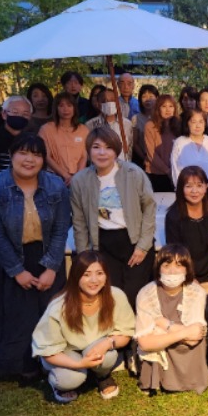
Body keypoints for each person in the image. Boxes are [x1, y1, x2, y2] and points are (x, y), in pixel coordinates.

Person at [0, 134, 70, 377]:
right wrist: (17, 271)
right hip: (8, 257)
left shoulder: (56, 186)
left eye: (36, 155)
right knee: (15, 316)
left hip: (46, 254)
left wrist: (52, 267)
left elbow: (61, 228)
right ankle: (18, 365)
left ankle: (53, 360)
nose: (29, 160)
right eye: (23, 153)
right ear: (11, 155)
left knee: (50, 312)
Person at [32, 250, 135, 403]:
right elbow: (48, 351)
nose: (94, 280)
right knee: (69, 379)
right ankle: (60, 383)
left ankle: (102, 376)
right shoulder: (58, 306)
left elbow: (126, 333)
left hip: (95, 346)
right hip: (64, 352)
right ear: (76, 276)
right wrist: (79, 364)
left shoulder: (116, 295)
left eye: (99, 273)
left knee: (108, 355)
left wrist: (108, 343)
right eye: (86, 274)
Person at [70, 127, 156, 309]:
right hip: (103, 243)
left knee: (134, 295)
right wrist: (85, 255)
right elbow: (79, 222)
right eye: (96, 147)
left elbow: (149, 208)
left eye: (108, 147)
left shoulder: (134, 173)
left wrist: (143, 246)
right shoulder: (80, 180)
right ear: (89, 150)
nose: (102, 153)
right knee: (111, 295)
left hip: (134, 240)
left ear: (116, 150)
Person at [135, 244, 208, 394]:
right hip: (157, 347)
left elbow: (194, 338)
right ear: (158, 268)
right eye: (166, 265)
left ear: (187, 269)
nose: (172, 271)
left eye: (179, 265)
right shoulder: (146, 293)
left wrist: (164, 324)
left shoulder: (196, 292)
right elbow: (144, 342)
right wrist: (183, 332)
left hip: (185, 349)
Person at [165, 166, 208, 304]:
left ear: (206, 187)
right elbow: (175, 252)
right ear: (181, 189)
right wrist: (189, 277)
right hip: (185, 272)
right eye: (188, 186)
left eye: (199, 185)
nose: (194, 191)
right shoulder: (173, 216)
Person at [170, 109, 208, 202]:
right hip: (186, 194)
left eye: (201, 122)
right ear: (187, 123)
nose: (197, 125)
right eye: (193, 122)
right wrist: (181, 191)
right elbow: (175, 171)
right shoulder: (179, 143)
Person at [38, 92, 89, 186]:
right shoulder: (46, 129)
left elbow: (84, 156)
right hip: (53, 177)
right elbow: (46, 156)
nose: (66, 109)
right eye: (61, 106)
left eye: (69, 105)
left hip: (79, 178)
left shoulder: (83, 130)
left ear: (74, 108)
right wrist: (66, 176)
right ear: (56, 108)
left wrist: (77, 177)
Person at [0, 95, 33, 176]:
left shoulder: (32, 139)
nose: (20, 116)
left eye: (25, 114)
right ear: (4, 114)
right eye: (15, 112)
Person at [143, 94, 181, 192]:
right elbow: (151, 154)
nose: (168, 110)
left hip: (175, 172)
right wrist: (167, 171)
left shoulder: (179, 125)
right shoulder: (150, 126)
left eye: (171, 106)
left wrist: (174, 171)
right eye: (164, 106)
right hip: (155, 173)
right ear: (158, 109)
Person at [86, 89, 134, 161]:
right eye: (104, 101)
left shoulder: (127, 124)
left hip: (122, 164)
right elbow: (88, 148)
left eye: (112, 100)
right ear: (98, 104)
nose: (109, 103)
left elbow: (129, 147)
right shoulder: (90, 125)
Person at [131, 84, 159, 167]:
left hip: (162, 158)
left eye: (151, 96)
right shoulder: (136, 118)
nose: (148, 99)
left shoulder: (162, 117)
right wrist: (145, 158)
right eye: (144, 97)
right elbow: (135, 143)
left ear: (157, 98)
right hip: (143, 159)